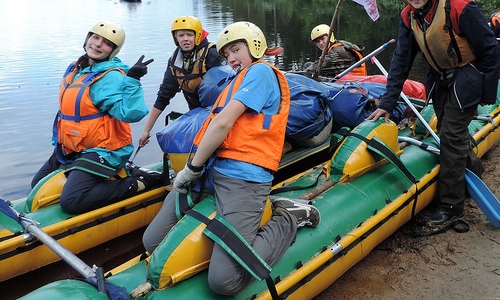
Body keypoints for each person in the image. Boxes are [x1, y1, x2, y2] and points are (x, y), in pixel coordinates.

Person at [143, 21, 320, 295]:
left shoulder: (261, 72)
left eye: (236, 50)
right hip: (211, 173)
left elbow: (224, 123)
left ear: (255, 46)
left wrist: (191, 168)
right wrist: (196, 170)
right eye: (226, 55)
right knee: (151, 241)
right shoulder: (235, 81)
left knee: (224, 282)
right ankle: (236, 216)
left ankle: (287, 217)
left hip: (243, 178)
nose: (231, 59)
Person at [367, 0, 500, 226]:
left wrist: (488, 94)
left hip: (468, 75)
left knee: (451, 135)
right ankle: (474, 170)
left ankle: (451, 206)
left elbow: (489, 49)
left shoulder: (460, 6)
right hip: (440, 79)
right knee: (450, 134)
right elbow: (401, 61)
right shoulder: (408, 16)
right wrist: (387, 101)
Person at [31, 21, 162, 214]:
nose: (98, 44)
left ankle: (137, 182)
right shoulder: (76, 68)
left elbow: (131, 113)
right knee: (36, 185)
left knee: (72, 201)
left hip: (105, 149)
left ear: (113, 50)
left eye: (107, 43)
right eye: (95, 37)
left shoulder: (110, 77)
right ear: (87, 39)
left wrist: (133, 80)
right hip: (73, 146)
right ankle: (100, 180)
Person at [139, 16, 224, 148]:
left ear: (197, 35)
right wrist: (146, 130)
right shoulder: (174, 61)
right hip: (196, 115)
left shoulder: (212, 55)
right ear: (175, 38)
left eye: (190, 35)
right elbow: (163, 96)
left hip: (220, 116)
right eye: (181, 35)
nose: (185, 39)